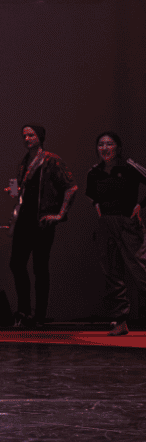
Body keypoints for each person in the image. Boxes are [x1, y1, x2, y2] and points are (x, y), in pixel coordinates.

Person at [5, 124, 77, 328]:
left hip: (42, 221)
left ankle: (39, 314)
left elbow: (71, 187)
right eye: (24, 135)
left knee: (40, 267)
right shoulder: (24, 161)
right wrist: (14, 191)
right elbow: (23, 190)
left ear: (40, 137)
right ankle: (24, 310)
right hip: (24, 219)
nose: (27, 139)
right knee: (16, 263)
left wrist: (60, 214)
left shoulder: (51, 160)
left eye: (31, 135)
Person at [85, 131, 146, 336]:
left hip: (127, 224)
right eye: (101, 144)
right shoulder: (94, 172)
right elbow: (92, 196)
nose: (105, 148)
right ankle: (120, 321)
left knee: (141, 270)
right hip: (106, 224)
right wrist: (99, 210)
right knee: (112, 274)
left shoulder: (129, 167)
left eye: (109, 144)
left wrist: (140, 205)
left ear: (118, 148)